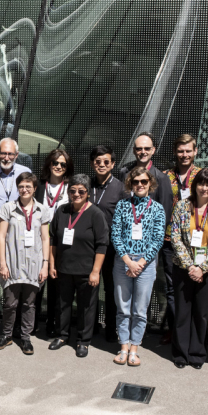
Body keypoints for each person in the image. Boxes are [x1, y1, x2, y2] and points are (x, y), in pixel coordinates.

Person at [168, 168, 208, 368]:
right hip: (183, 268)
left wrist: (202, 268)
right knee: (183, 311)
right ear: (195, 185)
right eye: (201, 183)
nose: (205, 188)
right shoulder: (182, 207)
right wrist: (190, 266)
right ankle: (180, 353)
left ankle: (196, 353)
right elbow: (175, 237)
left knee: (201, 313)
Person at [110, 166, 166, 367]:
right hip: (123, 261)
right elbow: (115, 234)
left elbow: (158, 238)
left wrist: (140, 263)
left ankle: (135, 348)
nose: (140, 185)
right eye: (136, 182)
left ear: (150, 183)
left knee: (140, 310)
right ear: (130, 184)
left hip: (146, 264)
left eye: (144, 181)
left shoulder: (157, 208)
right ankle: (123, 347)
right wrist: (127, 261)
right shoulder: (122, 205)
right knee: (123, 308)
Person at [49, 174, 107, 358]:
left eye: (81, 191)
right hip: (64, 268)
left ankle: (83, 341)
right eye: (72, 190)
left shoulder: (96, 214)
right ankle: (62, 335)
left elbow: (102, 244)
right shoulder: (62, 211)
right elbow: (53, 239)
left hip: (86, 271)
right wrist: (52, 263)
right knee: (63, 305)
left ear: (88, 193)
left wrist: (95, 271)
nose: (76, 194)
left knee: (86, 308)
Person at [0, 138, 32, 337]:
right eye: (3, 153)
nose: (7, 157)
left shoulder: (25, 172)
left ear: (16, 155)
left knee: (16, 279)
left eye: (11, 154)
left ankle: (15, 323)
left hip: (18, 236)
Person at [0, 171, 51, 355]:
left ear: (35, 189)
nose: (24, 189)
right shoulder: (8, 208)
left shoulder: (42, 210)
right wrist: (2, 263)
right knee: (10, 303)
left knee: (29, 304)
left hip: (34, 265)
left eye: (28, 186)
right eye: (21, 186)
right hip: (12, 263)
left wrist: (45, 264)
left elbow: (45, 239)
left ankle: (26, 337)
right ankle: (6, 334)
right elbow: (1, 237)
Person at [161, 134, 202, 342]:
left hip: (197, 241)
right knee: (172, 287)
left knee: (194, 287)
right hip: (170, 240)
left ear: (195, 152)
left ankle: (192, 333)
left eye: (188, 151)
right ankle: (176, 329)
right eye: (180, 151)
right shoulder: (165, 176)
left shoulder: (203, 176)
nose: (184, 155)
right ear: (175, 153)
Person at [35, 147, 74, 337]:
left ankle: (53, 322)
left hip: (61, 242)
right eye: (55, 163)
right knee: (37, 283)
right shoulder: (39, 186)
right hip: (38, 240)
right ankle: (32, 322)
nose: (58, 166)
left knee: (56, 285)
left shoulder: (70, 188)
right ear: (49, 164)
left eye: (62, 164)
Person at [89, 145, 125, 342]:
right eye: (97, 161)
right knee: (90, 287)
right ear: (92, 163)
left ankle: (111, 328)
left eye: (105, 162)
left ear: (112, 164)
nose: (101, 165)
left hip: (111, 247)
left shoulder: (120, 188)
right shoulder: (87, 185)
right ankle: (91, 326)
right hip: (88, 246)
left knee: (111, 289)